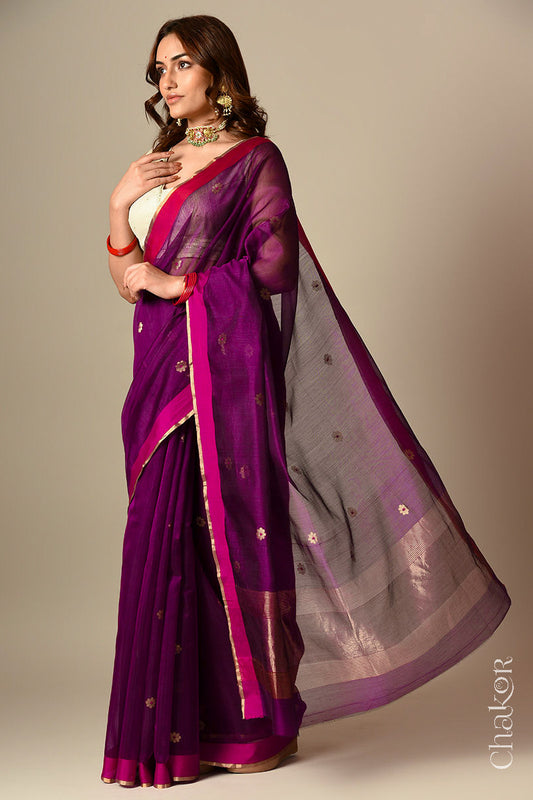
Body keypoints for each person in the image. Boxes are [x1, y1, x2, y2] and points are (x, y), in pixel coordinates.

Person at [101, 14, 511, 789]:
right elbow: (127, 278)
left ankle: (250, 731)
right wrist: (118, 209)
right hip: (159, 369)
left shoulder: (255, 160)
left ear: (218, 72)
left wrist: (180, 284)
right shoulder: (154, 165)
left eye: (182, 64)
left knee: (229, 530)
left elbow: (275, 268)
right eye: (157, 71)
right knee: (163, 534)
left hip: (224, 367)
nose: (167, 81)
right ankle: (164, 732)